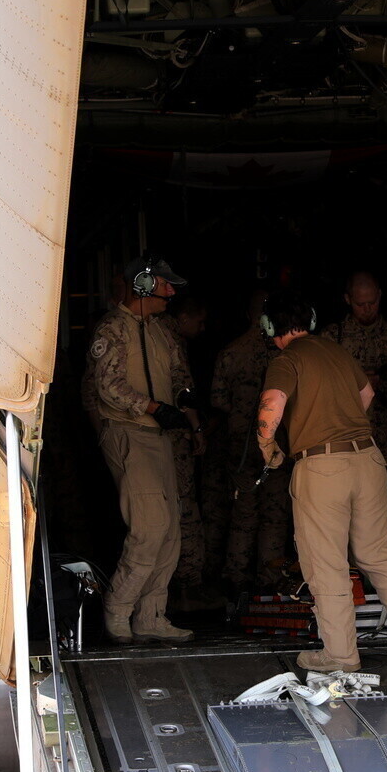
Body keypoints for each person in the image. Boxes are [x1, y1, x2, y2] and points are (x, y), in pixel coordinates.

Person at [255, 291, 387, 673]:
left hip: (322, 466)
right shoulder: (337, 351)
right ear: (309, 321)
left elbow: (271, 406)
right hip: (367, 458)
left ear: (271, 328)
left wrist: (268, 447)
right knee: (379, 553)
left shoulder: (286, 360)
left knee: (326, 562)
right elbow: (367, 394)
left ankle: (340, 654)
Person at [81, 256, 198, 644]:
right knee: (149, 527)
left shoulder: (160, 330)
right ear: (143, 285)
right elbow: (107, 386)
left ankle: (151, 616)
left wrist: (184, 402)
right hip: (130, 433)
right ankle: (119, 608)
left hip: (160, 437)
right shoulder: (112, 329)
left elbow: (179, 375)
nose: (172, 291)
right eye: (165, 284)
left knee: (171, 532)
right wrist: (151, 407)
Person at [325, 271, 387, 540]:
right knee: (348, 508)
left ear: (380, 296)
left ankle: (383, 553)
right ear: (348, 299)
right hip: (348, 439)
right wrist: (354, 383)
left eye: (372, 302)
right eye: (360, 304)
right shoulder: (332, 339)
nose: (367, 309)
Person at [204, 291, 291, 591]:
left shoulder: (231, 351)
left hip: (240, 445)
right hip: (276, 444)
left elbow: (217, 399)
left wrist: (241, 412)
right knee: (274, 515)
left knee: (243, 512)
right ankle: (270, 577)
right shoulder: (284, 352)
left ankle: (236, 578)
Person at [160, 295, 218, 610]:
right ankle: (188, 588)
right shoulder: (169, 339)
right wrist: (197, 428)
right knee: (184, 509)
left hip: (155, 438)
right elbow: (183, 391)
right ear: (183, 318)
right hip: (172, 436)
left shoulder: (152, 332)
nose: (202, 328)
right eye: (199, 321)